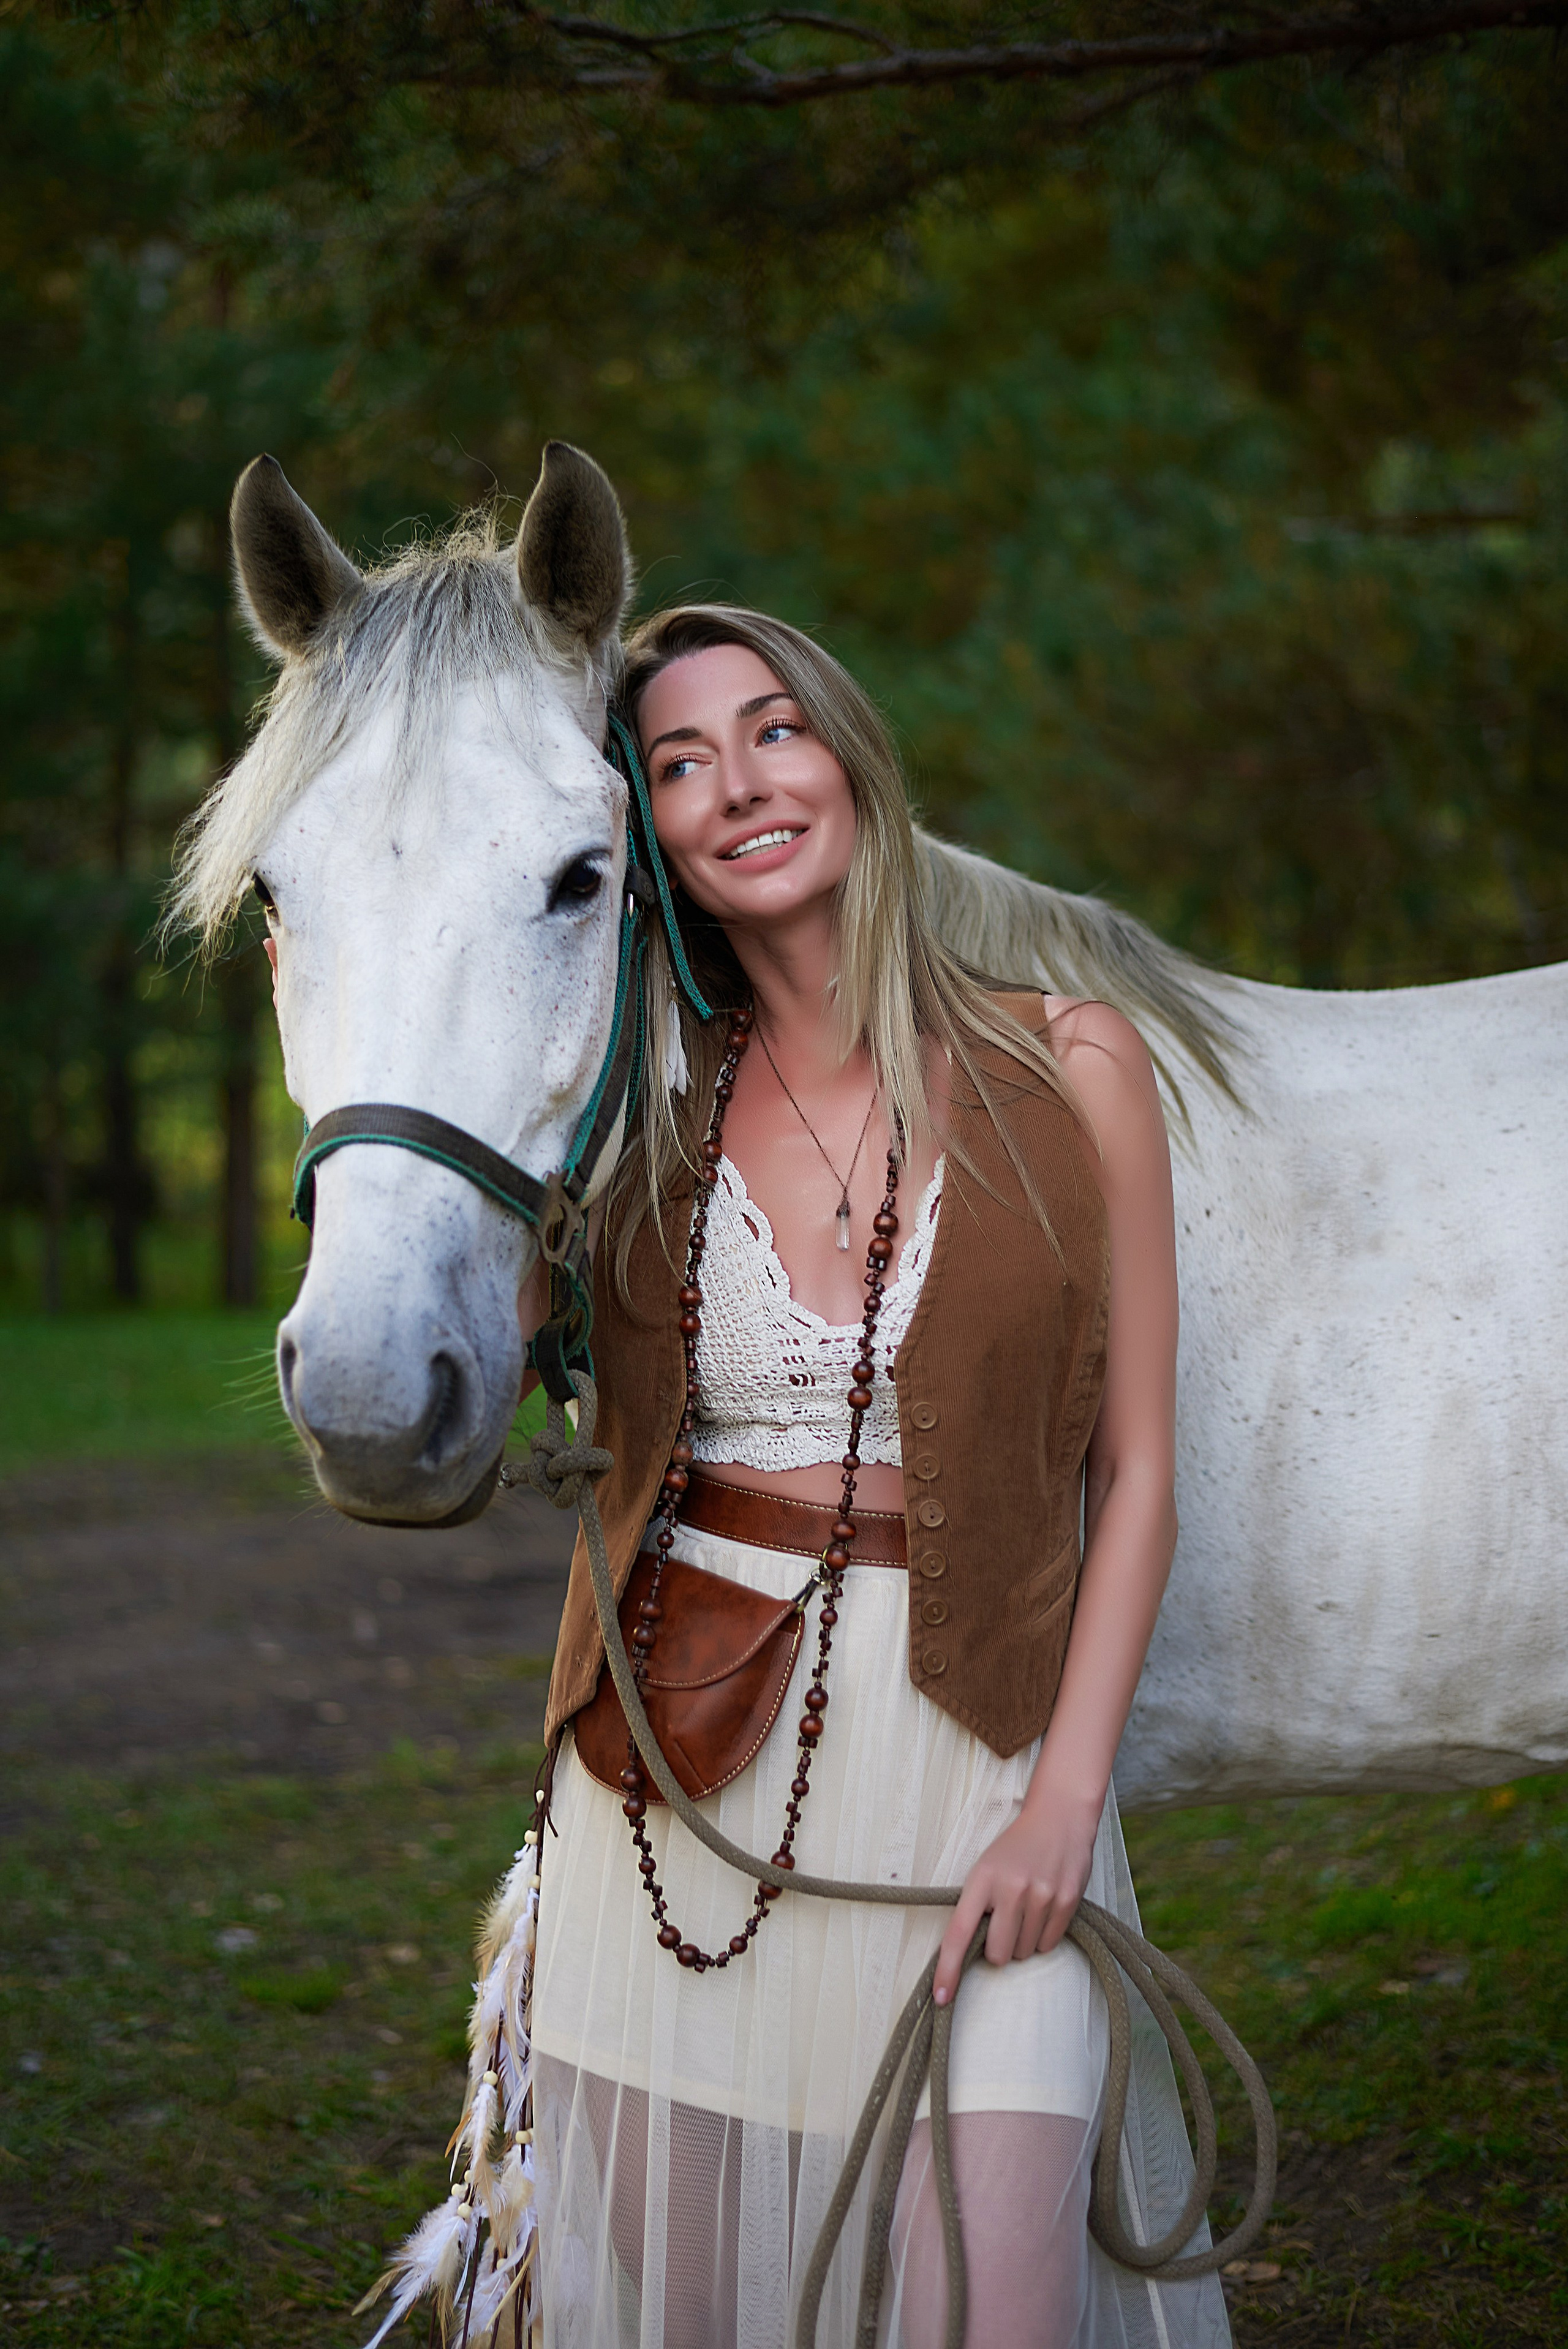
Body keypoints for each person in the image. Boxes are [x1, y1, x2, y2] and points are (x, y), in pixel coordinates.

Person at [523, 605, 1230, 2348]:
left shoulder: (1072, 1059)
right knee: (689, 2316)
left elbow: (1137, 1466)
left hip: (981, 1792)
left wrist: (1066, 1800)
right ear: (646, 835)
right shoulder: (641, 1112)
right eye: (678, 761)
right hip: (679, 1811)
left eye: (774, 730)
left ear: (852, 759)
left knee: (998, 2313)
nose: (740, 784)